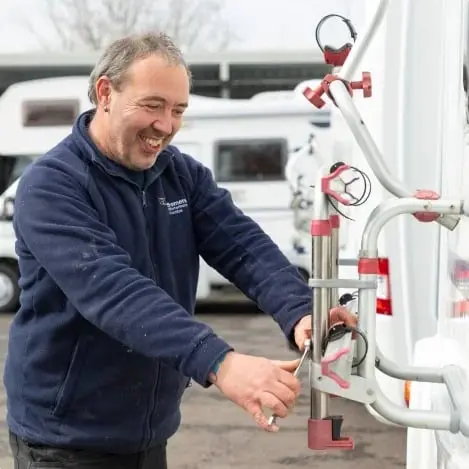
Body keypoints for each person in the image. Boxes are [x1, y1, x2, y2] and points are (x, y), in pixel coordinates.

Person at [4, 32, 356, 469]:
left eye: (178, 111)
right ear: (105, 93)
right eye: (153, 105)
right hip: (66, 439)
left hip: (149, 429)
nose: (166, 125)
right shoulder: (53, 185)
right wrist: (220, 363)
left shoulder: (181, 175)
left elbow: (241, 244)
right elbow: (112, 291)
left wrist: (301, 309)